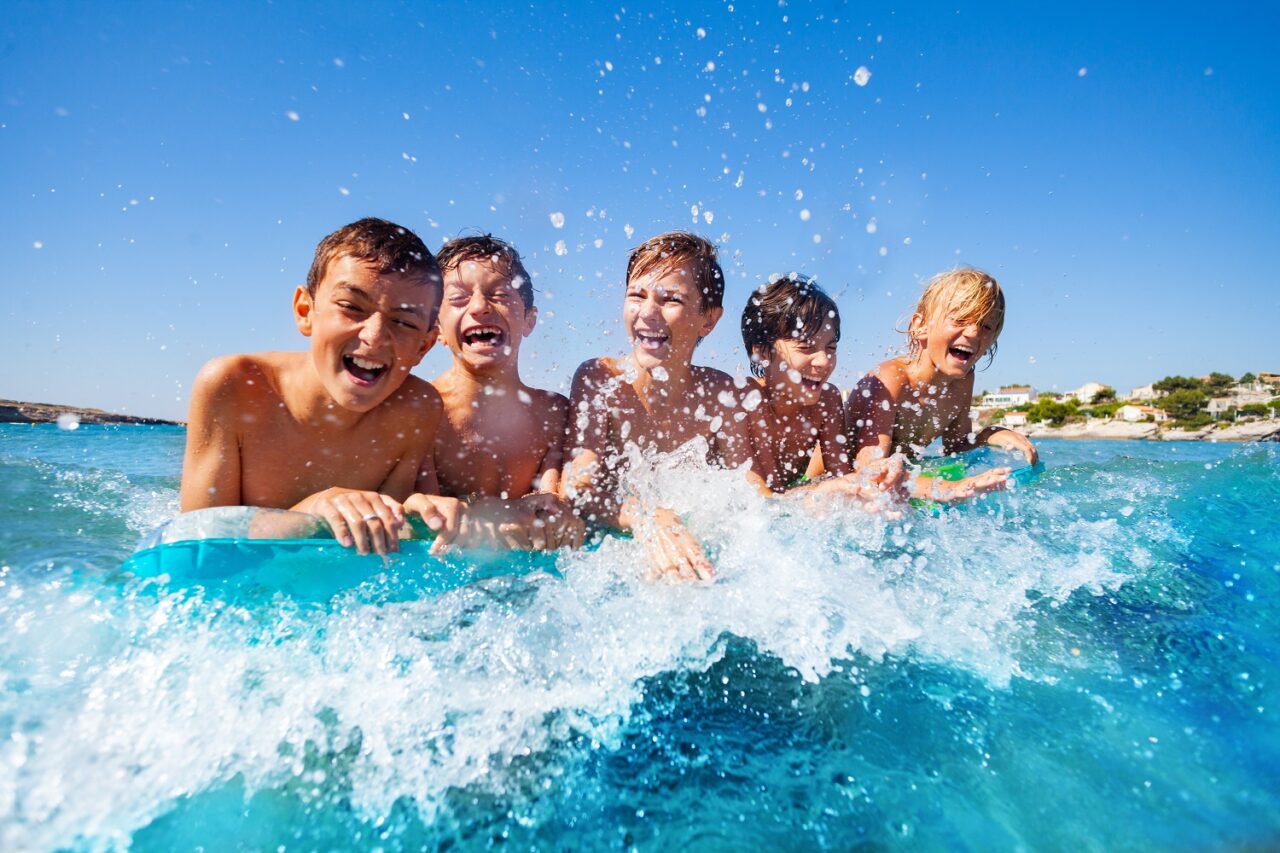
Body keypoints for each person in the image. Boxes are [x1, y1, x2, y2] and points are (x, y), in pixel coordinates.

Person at [179, 217, 467, 555]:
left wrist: (417, 518)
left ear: (423, 346)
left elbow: (387, 550)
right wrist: (312, 511)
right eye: (351, 307)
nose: (373, 337)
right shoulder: (235, 387)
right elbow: (198, 547)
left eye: (403, 322)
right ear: (305, 310)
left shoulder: (417, 407)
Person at [563, 231, 755, 581]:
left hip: (695, 544)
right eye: (636, 295)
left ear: (708, 320)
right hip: (612, 542)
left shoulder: (720, 394)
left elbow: (747, 497)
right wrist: (644, 514)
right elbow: (577, 488)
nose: (647, 312)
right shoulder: (600, 379)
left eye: (670, 300)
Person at [430, 234, 582, 550]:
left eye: (499, 295)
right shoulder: (424, 411)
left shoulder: (554, 413)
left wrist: (557, 510)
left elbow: (559, 503)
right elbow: (415, 515)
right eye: (458, 299)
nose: (480, 307)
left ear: (529, 320)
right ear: (437, 329)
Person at [846, 267, 1038, 502]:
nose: (973, 332)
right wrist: (950, 488)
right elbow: (870, 474)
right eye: (959, 319)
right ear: (920, 326)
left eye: (986, 326)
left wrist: (990, 435)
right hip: (825, 485)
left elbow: (956, 448)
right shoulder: (890, 380)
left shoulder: (962, 381)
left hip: (893, 482)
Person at [741, 272, 905, 502]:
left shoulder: (826, 400)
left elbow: (843, 478)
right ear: (761, 352)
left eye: (831, 348)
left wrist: (877, 478)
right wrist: (824, 491)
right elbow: (762, 501)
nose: (824, 361)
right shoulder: (745, 400)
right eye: (806, 347)